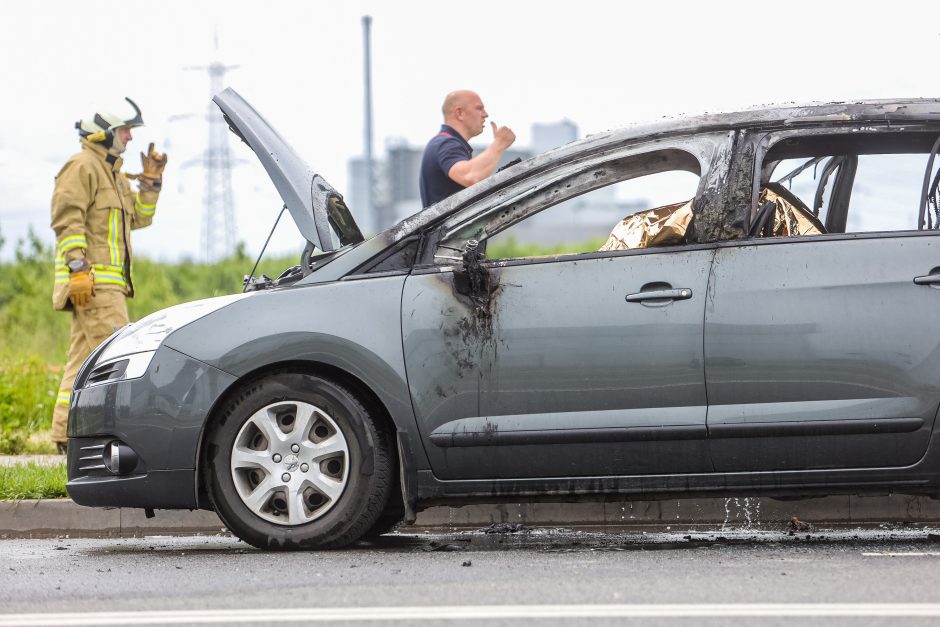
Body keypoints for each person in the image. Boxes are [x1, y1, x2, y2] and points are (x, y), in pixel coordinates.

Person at [50, 97, 167, 454]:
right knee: (115, 361)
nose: (130, 138)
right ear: (104, 134)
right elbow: (66, 218)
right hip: (94, 284)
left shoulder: (114, 175)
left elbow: (140, 219)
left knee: (82, 361)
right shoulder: (82, 166)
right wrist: (77, 269)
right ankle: (105, 439)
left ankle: (64, 437)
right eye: (125, 131)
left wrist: (150, 184)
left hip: (109, 287)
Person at [419, 90, 516, 208]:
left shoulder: (447, 143)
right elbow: (472, 176)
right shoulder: (445, 144)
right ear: (459, 113)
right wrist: (499, 143)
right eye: (479, 108)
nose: (485, 114)